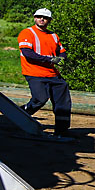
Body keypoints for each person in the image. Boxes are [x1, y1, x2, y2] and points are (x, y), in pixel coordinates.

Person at [18, 8, 71, 137]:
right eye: (39, 16)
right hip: (34, 73)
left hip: (52, 74)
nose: (42, 19)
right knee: (40, 99)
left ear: (49, 20)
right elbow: (28, 54)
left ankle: (62, 132)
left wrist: (61, 58)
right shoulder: (27, 33)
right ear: (34, 18)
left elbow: (62, 51)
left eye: (45, 17)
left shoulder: (53, 35)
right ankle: (19, 115)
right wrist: (50, 59)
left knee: (63, 102)